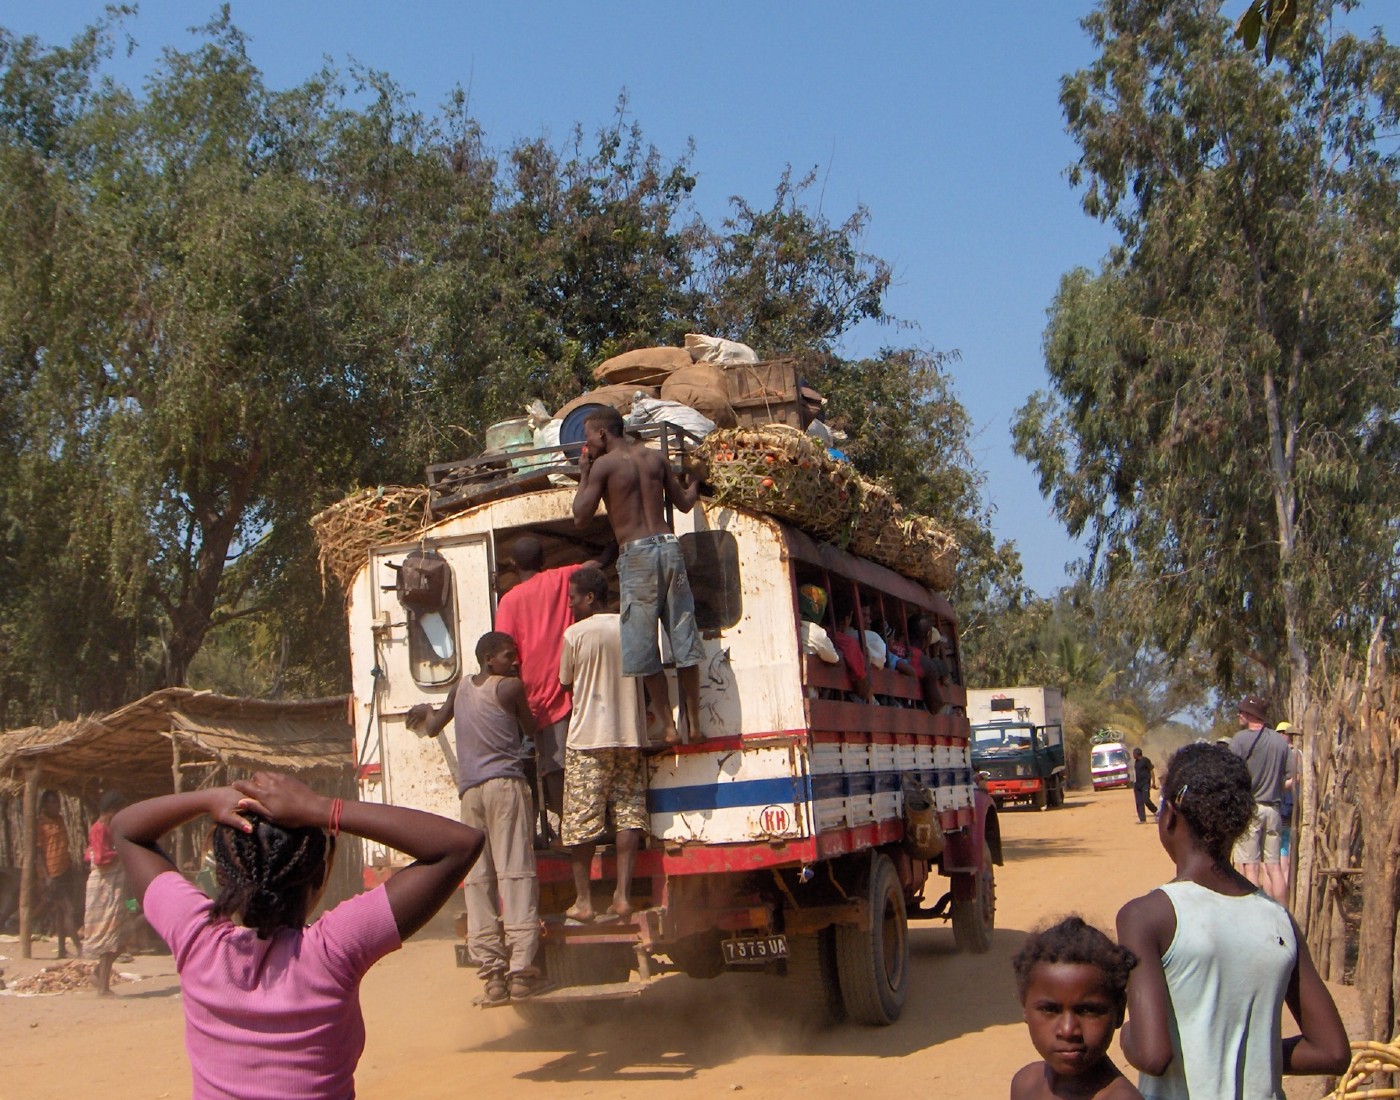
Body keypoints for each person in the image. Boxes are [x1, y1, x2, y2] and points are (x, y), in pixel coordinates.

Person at [111, 771, 482, 1099]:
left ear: (223, 878)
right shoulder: (333, 950)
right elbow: (458, 845)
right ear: (320, 877)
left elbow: (127, 831)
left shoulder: (197, 939)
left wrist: (206, 799)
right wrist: (323, 809)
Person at [1115, 742, 1349, 1098]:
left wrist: (1126, 1035)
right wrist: (1256, 1053)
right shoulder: (1277, 920)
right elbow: (1332, 1052)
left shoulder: (1146, 917)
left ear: (1170, 815)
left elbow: (1152, 1054)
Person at [407, 631, 548, 1005]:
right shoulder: (510, 688)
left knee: (479, 879)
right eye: (508, 655)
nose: (514, 661)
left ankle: (492, 975)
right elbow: (530, 729)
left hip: (470, 793)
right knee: (515, 872)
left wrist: (425, 712)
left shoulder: (460, 688)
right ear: (489, 659)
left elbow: (435, 725)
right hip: (505, 786)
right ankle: (520, 969)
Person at [571, 405, 707, 746]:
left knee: (643, 645)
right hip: (670, 549)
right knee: (683, 639)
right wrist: (696, 482)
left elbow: (580, 517)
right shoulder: (655, 458)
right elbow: (685, 503)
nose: (586, 444)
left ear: (602, 434)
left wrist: (585, 473)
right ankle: (694, 724)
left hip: (637, 556)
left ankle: (668, 726)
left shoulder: (603, 465)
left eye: (587, 435)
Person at [493, 535, 614, 831]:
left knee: (554, 766)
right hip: (577, 688)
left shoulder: (509, 601)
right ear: (543, 561)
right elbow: (599, 563)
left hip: (539, 698)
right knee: (590, 758)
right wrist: (616, 537)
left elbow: (504, 653)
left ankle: (569, 827)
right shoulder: (562, 578)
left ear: (514, 564)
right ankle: (600, 819)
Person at [557, 566, 649, 924]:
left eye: (573, 597)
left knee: (581, 823)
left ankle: (583, 901)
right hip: (629, 736)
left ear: (589, 598)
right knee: (628, 813)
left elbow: (565, 683)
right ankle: (622, 897)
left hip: (588, 739)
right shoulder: (630, 626)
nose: (570, 603)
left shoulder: (574, 635)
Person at [1010, 915, 1143, 1099]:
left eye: (1088, 1011)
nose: (1068, 1030)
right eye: (1050, 1010)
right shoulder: (1026, 1084)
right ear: (1024, 1007)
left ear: (1119, 1011)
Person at [1229, 694, 1291, 903]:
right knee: (1274, 868)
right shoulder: (1280, 742)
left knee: (1251, 868)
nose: (1239, 715)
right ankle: (1282, 914)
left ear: (1249, 714)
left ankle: (1255, 915)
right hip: (1274, 810)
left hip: (1250, 810)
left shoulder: (1239, 740)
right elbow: (1289, 776)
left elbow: (1230, 775)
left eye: (1242, 711)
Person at [83, 790, 132, 995]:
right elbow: (100, 858)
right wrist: (120, 851)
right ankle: (102, 986)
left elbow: (90, 853)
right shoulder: (100, 829)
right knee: (109, 933)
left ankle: (99, 975)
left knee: (123, 934)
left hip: (113, 886)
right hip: (105, 887)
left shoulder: (106, 829)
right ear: (113, 810)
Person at [37, 790, 81, 958]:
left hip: (65, 869)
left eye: (57, 803)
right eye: (52, 803)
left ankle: (62, 950)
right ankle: (79, 948)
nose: (56, 806)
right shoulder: (40, 824)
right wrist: (47, 877)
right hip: (52, 873)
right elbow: (39, 852)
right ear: (45, 805)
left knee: (60, 912)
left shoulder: (60, 820)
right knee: (69, 909)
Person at [831, 591, 874, 703]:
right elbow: (864, 691)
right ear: (847, 619)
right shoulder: (848, 643)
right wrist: (866, 661)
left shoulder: (815, 634)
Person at [1277, 721, 1303, 892]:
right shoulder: (1281, 752)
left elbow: (1298, 777)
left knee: (1284, 845)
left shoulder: (1295, 754)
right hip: (1281, 804)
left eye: (1282, 733)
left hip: (1288, 803)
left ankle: (1285, 885)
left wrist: (1280, 786)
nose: (1281, 735)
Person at [1131, 749, 1158, 825]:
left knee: (1146, 799)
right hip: (1137, 785)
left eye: (1134, 754)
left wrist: (1153, 782)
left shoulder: (1146, 760)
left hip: (1145, 784)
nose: (1133, 755)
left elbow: (1151, 771)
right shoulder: (1136, 762)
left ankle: (1155, 811)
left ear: (1137, 754)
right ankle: (1142, 819)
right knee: (1139, 802)